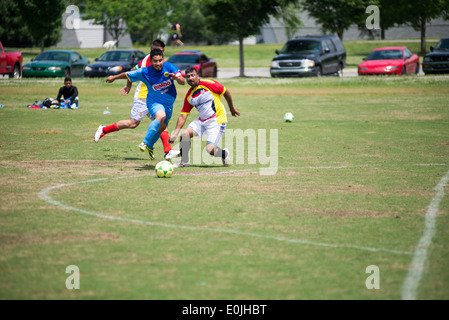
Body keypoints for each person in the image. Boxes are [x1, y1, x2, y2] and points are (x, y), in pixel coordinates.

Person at [94, 40, 177, 160]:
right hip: (143, 97)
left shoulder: (159, 61)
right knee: (132, 124)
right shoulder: (149, 61)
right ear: (152, 50)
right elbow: (132, 71)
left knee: (162, 123)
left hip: (156, 98)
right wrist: (128, 85)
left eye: (162, 51)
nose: (160, 54)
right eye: (158, 50)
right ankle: (104, 129)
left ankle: (166, 151)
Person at [169, 67, 240, 167]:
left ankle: (224, 154)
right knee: (184, 134)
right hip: (202, 120)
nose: (190, 78)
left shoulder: (208, 84)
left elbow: (225, 91)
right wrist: (175, 133)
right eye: (188, 76)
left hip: (217, 120)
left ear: (197, 76)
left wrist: (231, 108)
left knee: (210, 149)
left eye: (192, 75)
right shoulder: (190, 95)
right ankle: (184, 161)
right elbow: (183, 115)